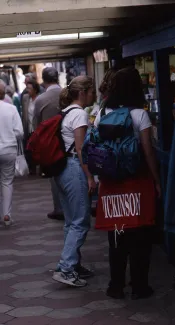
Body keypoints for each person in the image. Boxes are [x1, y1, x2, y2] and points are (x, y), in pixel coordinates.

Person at [94, 67, 161, 300]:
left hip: (112, 184)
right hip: (137, 182)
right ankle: (140, 286)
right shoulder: (139, 114)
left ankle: (116, 286)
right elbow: (148, 151)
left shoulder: (103, 113)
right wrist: (157, 181)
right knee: (140, 235)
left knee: (117, 235)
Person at [52, 76, 97, 287]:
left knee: (71, 221)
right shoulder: (79, 114)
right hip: (74, 169)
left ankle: (73, 264)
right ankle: (66, 267)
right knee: (80, 222)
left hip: (62, 170)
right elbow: (81, 149)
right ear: (83, 93)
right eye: (91, 91)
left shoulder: (66, 111)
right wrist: (89, 176)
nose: (94, 95)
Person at [33, 67, 63, 221]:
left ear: (43, 81)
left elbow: (36, 125)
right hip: (69, 137)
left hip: (50, 142)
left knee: (54, 176)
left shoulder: (41, 99)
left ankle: (59, 209)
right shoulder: (67, 94)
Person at [0, 80, 24, 226]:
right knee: (7, 181)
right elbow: (20, 132)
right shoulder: (11, 109)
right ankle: (6, 215)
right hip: (8, 149)